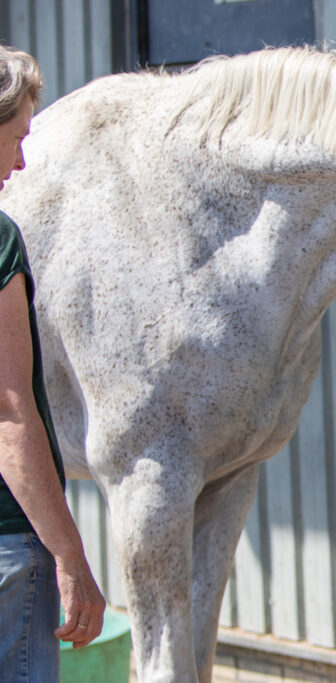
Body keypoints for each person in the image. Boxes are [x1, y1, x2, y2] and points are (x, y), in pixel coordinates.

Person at [0, 44, 105, 680]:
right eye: (13, 138)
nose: (18, 161)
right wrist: (70, 557)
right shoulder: (0, 238)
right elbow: (9, 411)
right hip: (9, 547)